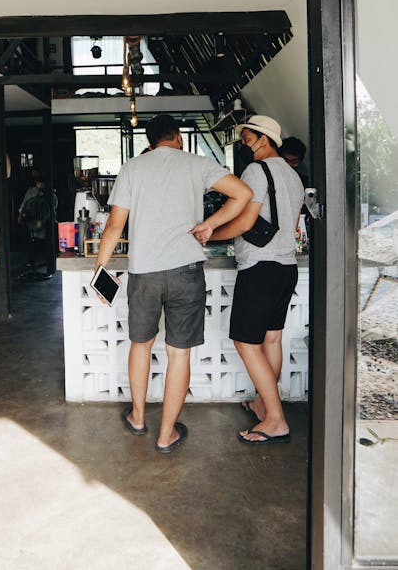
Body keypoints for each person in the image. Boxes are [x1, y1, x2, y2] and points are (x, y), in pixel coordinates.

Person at [93, 114, 252, 454]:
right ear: (178, 136)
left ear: (149, 142)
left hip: (144, 273)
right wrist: (209, 225)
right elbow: (243, 194)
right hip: (185, 270)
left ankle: (137, 417)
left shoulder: (133, 168)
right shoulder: (197, 163)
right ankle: (166, 435)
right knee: (179, 354)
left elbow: (113, 227)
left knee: (141, 344)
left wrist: (100, 274)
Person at [191, 115, 304, 445]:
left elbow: (244, 223)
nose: (242, 143)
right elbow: (292, 224)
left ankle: (275, 420)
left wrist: (211, 235)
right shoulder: (293, 175)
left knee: (245, 341)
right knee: (271, 340)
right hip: (286, 267)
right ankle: (264, 403)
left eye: (246, 138)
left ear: (264, 139)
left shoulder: (256, 170)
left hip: (260, 267)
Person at [18, 175, 57, 276]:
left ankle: (42, 262)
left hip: (42, 220)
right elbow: (25, 206)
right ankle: (34, 262)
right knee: (37, 241)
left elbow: (54, 205)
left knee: (39, 241)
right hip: (35, 220)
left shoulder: (47, 192)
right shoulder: (32, 192)